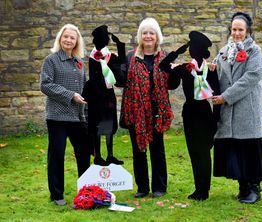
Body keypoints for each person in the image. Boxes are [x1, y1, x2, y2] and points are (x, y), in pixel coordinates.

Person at [210, 12, 262, 204]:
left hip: (246, 108)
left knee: (249, 149)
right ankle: (243, 188)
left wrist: (226, 97)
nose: (236, 33)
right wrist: (208, 70)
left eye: (240, 30)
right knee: (235, 149)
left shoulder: (254, 51)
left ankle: (254, 188)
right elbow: (217, 73)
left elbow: (252, 77)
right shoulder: (224, 51)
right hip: (229, 112)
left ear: (248, 31)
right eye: (234, 29)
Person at [159, 31, 220, 201]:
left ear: (199, 52)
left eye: (192, 48)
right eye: (190, 48)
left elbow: (217, 96)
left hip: (205, 113)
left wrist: (216, 121)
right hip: (190, 113)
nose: (191, 51)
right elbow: (163, 66)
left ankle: (204, 190)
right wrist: (177, 53)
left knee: (204, 152)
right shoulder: (185, 69)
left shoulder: (211, 70)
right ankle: (198, 189)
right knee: (194, 152)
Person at [119, 17, 174, 198]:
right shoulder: (130, 57)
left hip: (157, 110)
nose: (148, 36)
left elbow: (172, 84)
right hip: (136, 111)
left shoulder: (165, 57)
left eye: (151, 33)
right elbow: (121, 80)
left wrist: (176, 72)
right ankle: (142, 188)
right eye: (145, 33)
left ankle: (159, 187)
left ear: (157, 36)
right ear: (140, 36)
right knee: (138, 150)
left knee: (157, 150)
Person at [40, 24, 90, 206]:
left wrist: (87, 111)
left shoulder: (79, 63)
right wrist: (71, 95)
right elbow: (45, 85)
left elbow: (84, 90)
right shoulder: (51, 60)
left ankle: (86, 191)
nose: (68, 40)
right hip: (57, 117)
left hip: (78, 118)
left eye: (72, 38)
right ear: (60, 39)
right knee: (57, 155)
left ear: (77, 42)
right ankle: (56, 195)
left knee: (84, 154)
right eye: (65, 37)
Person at [82, 25, 125, 166]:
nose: (107, 39)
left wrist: (119, 45)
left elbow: (122, 61)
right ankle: (98, 156)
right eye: (105, 37)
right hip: (96, 95)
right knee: (96, 126)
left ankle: (110, 155)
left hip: (108, 94)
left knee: (108, 124)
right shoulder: (93, 56)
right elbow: (93, 77)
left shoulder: (110, 55)